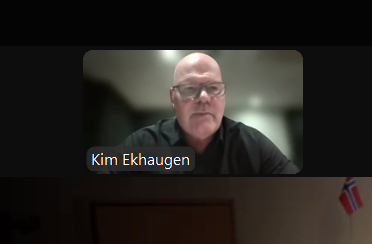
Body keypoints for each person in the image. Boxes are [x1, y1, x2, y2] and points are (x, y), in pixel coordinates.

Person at [117, 53, 299, 175]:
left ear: (223, 96)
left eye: (213, 88)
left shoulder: (252, 144)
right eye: (189, 88)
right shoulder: (143, 144)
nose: (203, 98)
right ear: (173, 98)